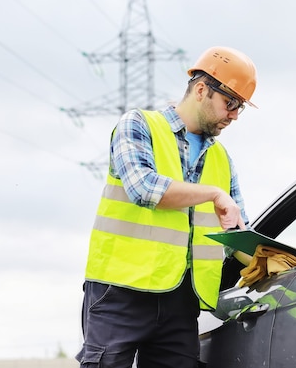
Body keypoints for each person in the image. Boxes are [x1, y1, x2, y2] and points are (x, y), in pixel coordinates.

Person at [75, 46, 258, 368]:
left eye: (240, 108)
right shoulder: (139, 125)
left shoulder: (221, 158)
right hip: (121, 291)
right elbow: (144, 189)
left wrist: (289, 264)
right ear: (202, 89)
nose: (234, 115)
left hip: (181, 300)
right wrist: (214, 193)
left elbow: (236, 232)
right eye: (230, 103)